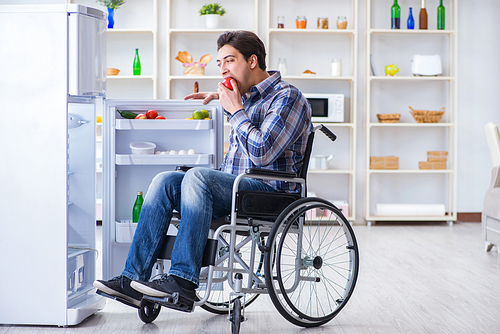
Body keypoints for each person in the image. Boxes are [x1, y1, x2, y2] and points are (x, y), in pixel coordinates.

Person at [93, 30, 312, 311]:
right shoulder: (246, 97)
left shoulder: (288, 98)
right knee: (165, 180)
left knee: (198, 176)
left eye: (229, 61)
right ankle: (132, 279)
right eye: (220, 64)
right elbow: (248, 107)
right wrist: (229, 101)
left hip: (271, 195)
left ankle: (183, 283)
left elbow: (263, 152)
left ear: (253, 61)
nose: (223, 70)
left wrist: (235, 111)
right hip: (237, 189)